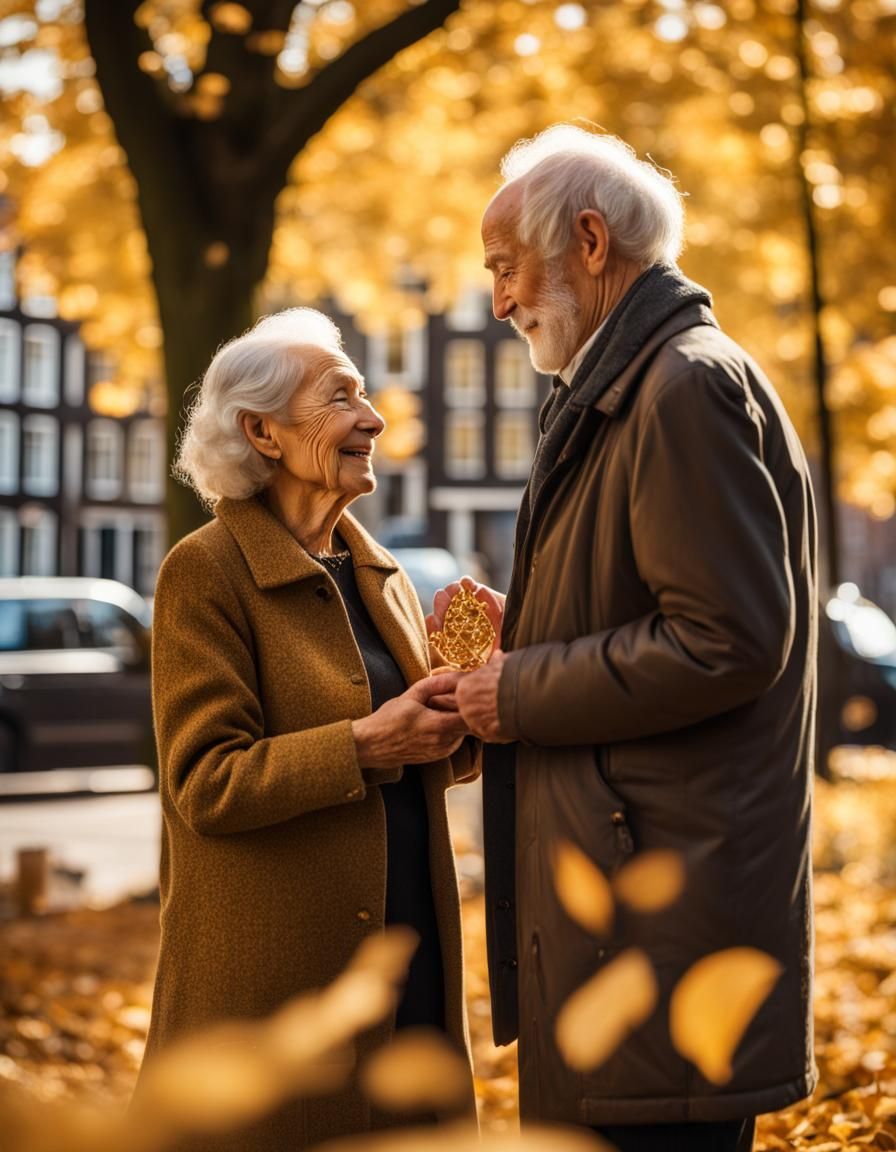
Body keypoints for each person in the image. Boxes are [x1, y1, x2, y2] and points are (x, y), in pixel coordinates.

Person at [431, 126, 817, 1152]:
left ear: (589, 241)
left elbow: (725, 640)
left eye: (507, 270)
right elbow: (671, 611)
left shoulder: (679, 387)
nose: (500, 303)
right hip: (632, 901)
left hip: (654, 918)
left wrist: (514, 690)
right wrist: (534, 630)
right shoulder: (638, 383)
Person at [140, 308, 478, 1151]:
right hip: (276, 986)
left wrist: (472, 710)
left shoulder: (382, 574)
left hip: (408, 955)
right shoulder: (204, 572)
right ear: (263, 432)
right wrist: (368, 744)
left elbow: (426, 755)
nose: (375, 419)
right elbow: (205, 785)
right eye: (341, 398)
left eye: (365, 396)